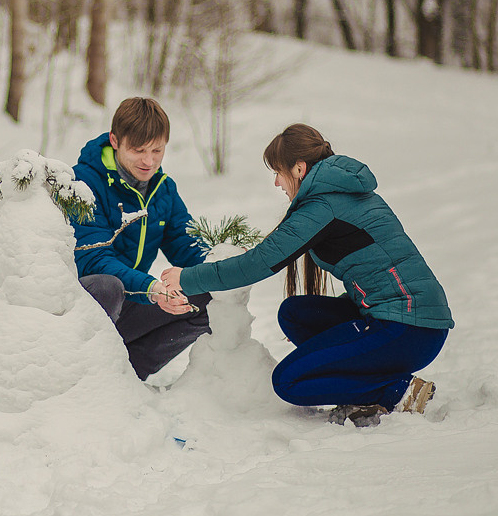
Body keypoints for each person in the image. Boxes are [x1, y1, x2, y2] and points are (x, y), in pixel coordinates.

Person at [161, 124, 452, 424]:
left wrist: (188, 278)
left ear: (299, 168)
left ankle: (396, 391)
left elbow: (257, 264)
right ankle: (366, 376)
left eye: (278, 171)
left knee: (288, 381)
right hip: (399, 319)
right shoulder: (339, 191)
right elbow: (372, 274)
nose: (276, 182)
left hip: (409, 328)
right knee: (295, 314)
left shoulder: (323, 206)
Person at [73, 97, 211, 380]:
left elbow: (186, 245)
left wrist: (225, 265)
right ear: (115, 140)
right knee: (107, 286)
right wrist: (151, 288)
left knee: (206, 294)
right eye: (138, 150)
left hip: (130, 301)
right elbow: (92, 261)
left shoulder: (163, 190)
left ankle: (124, 377)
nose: (149, 161)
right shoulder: (83, 183)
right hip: (79, 305)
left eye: (157, 150)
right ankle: (79, 375)